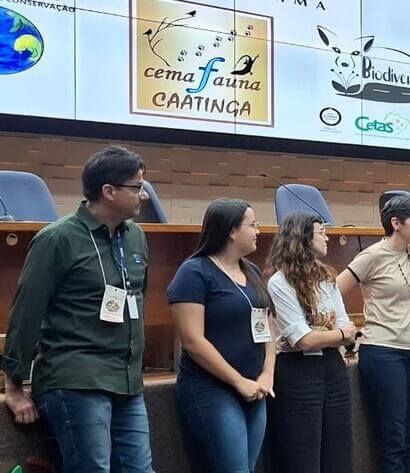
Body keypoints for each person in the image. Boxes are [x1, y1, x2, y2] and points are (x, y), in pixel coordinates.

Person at [3, 146, 154, 473]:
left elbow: (139, 298)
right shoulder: (57, 239)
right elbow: (26, 313)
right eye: (137, 187)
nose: (144, 195)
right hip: (77, 378)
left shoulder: (136, 238)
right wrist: (13, 385)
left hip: (127, 380)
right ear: (109, 191)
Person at [336, 195, 410, 473]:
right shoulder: (372, 255)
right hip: (383, 351)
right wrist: (342, 330)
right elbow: (333, 292)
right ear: (396, 223)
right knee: (393, 441)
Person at [167, 199, 275, 473]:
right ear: (232, 231)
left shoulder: (251, 270)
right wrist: (238, 381)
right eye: (253, 225)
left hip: (254, 387)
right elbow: (193, 341)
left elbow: (268, 327)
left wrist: (267, 374)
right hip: (212, 388)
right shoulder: (194, 272)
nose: (258, 231)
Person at [265, 212, 358, 472]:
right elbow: (304, 340)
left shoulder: (326, 278)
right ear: (303, 238)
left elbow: (346, 325)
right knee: (302, 453)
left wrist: (334, 335)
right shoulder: (279, 282)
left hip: (332, 367)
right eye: (322, 233)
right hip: (297, 371)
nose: (327, 238)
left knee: (338, 450)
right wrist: (339, 335)